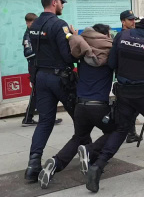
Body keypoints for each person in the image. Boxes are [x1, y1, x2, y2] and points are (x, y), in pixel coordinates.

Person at [84, 5, 144, 193]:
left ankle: (98, 166)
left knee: (120, 129)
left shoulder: (121, 37)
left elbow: (112, 64)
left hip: (123, 93)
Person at [38, 24, 115, 189]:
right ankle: (90, 151)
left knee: (78, 137)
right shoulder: (108, 54)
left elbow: (78, 43)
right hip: (99, 106)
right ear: (105, 36)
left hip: (80, 106)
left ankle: (55, 163)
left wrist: (74, 35)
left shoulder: (82, 52)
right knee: (115, 131)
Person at [24, 0, 77, 182]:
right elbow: (67, 56)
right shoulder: (59, 24)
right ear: (54, 2)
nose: (62, 5)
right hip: (59, 78)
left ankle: (33, 165)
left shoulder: (34, 24)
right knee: (79, 116)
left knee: (45, 122)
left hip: (41, 77)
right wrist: (74, 38)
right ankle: (89, 152)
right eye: (61, 2)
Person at [21, 13, 62, 127]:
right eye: (33, 23)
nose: (35, 25)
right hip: (35, 66)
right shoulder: (28, 35)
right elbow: (27, 53)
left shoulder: (35, 33)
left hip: (40, 65)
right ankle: (28, 118)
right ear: (28, 23)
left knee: (42, 93)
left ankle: (44, 117)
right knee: (36, 93)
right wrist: (42, 51)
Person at [120, 10, 142, 143]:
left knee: (132, 108)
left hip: (132, 77)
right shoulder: (122, 36)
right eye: (130, 20)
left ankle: (131, 133)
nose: (133, 22)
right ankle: (128, 132)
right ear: (123, 21)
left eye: (134, 19)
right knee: (135, 107)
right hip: (127, 78)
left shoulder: (133, 35)